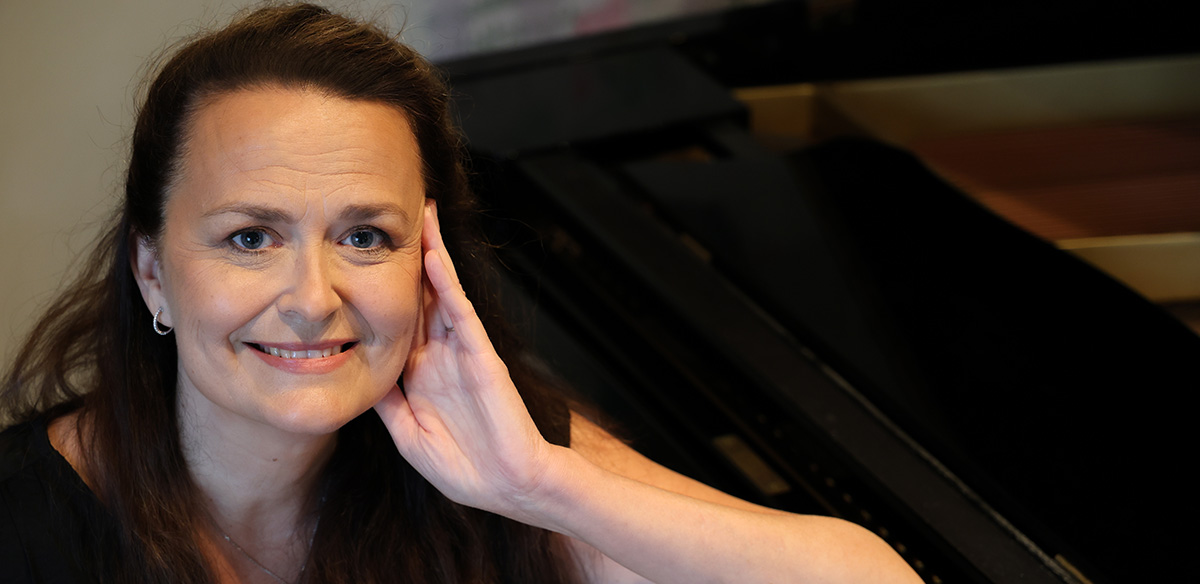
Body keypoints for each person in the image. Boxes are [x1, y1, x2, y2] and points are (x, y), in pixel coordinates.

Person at [0, 4, 920, 583]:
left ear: (430, 260)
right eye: (250, 238)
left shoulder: (492, 453)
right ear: (152, 272)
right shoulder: (20, 523)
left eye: (365, 236)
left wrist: (544, 487)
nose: (313, 298)